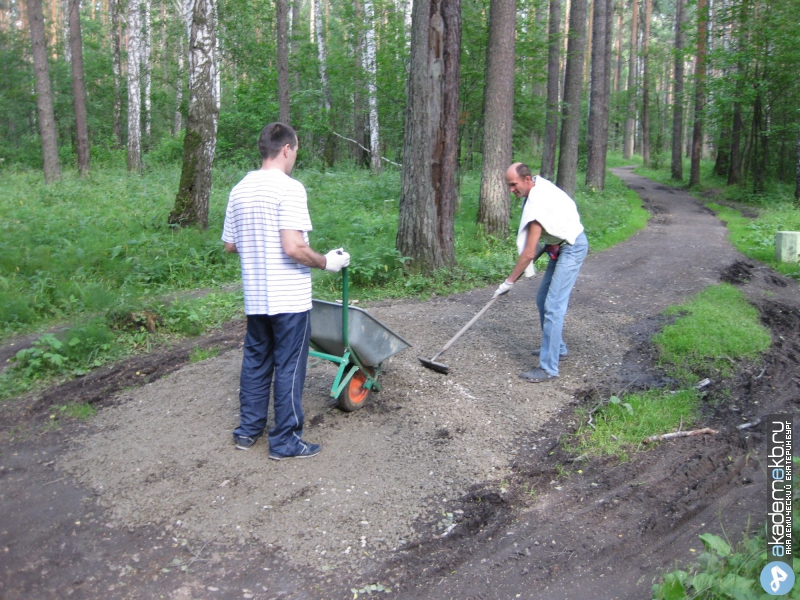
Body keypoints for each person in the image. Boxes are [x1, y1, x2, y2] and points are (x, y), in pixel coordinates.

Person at [222, 122, 350, 459]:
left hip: (256, 295)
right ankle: (285, 440)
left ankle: (247, 432)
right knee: (291, 365)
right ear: (286, 149)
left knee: (256, 361)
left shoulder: (239, 189)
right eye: (295, 152)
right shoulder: (289, 189)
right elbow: (293, 246)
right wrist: (326, 262)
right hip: (289, 298)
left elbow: (231, 245)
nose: (294, 157)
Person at [493, 163, 588, 383]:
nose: (511, 190)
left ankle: (548, 368)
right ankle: (559, 348)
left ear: (527, 179)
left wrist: (508, 283)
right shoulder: (537, 185)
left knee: (554, 306)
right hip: (559, 244)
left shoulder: (536, 203)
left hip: (572, 247)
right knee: (542, 299)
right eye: (508, 185)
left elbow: (527, 254)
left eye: (513, 184)